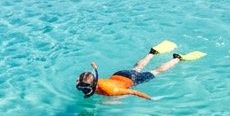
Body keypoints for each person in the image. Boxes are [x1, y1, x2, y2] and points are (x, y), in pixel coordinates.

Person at [75, 41, 205, 101]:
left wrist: (150, 99)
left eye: (80, 83)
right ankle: (152, 53)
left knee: (156, 71)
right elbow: (92, 73)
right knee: (137, 68)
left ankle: (177, 58)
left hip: (131, 79)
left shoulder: (112, 91)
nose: (78, 83)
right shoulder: (93, 80)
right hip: (120, 75)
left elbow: (133, 91)